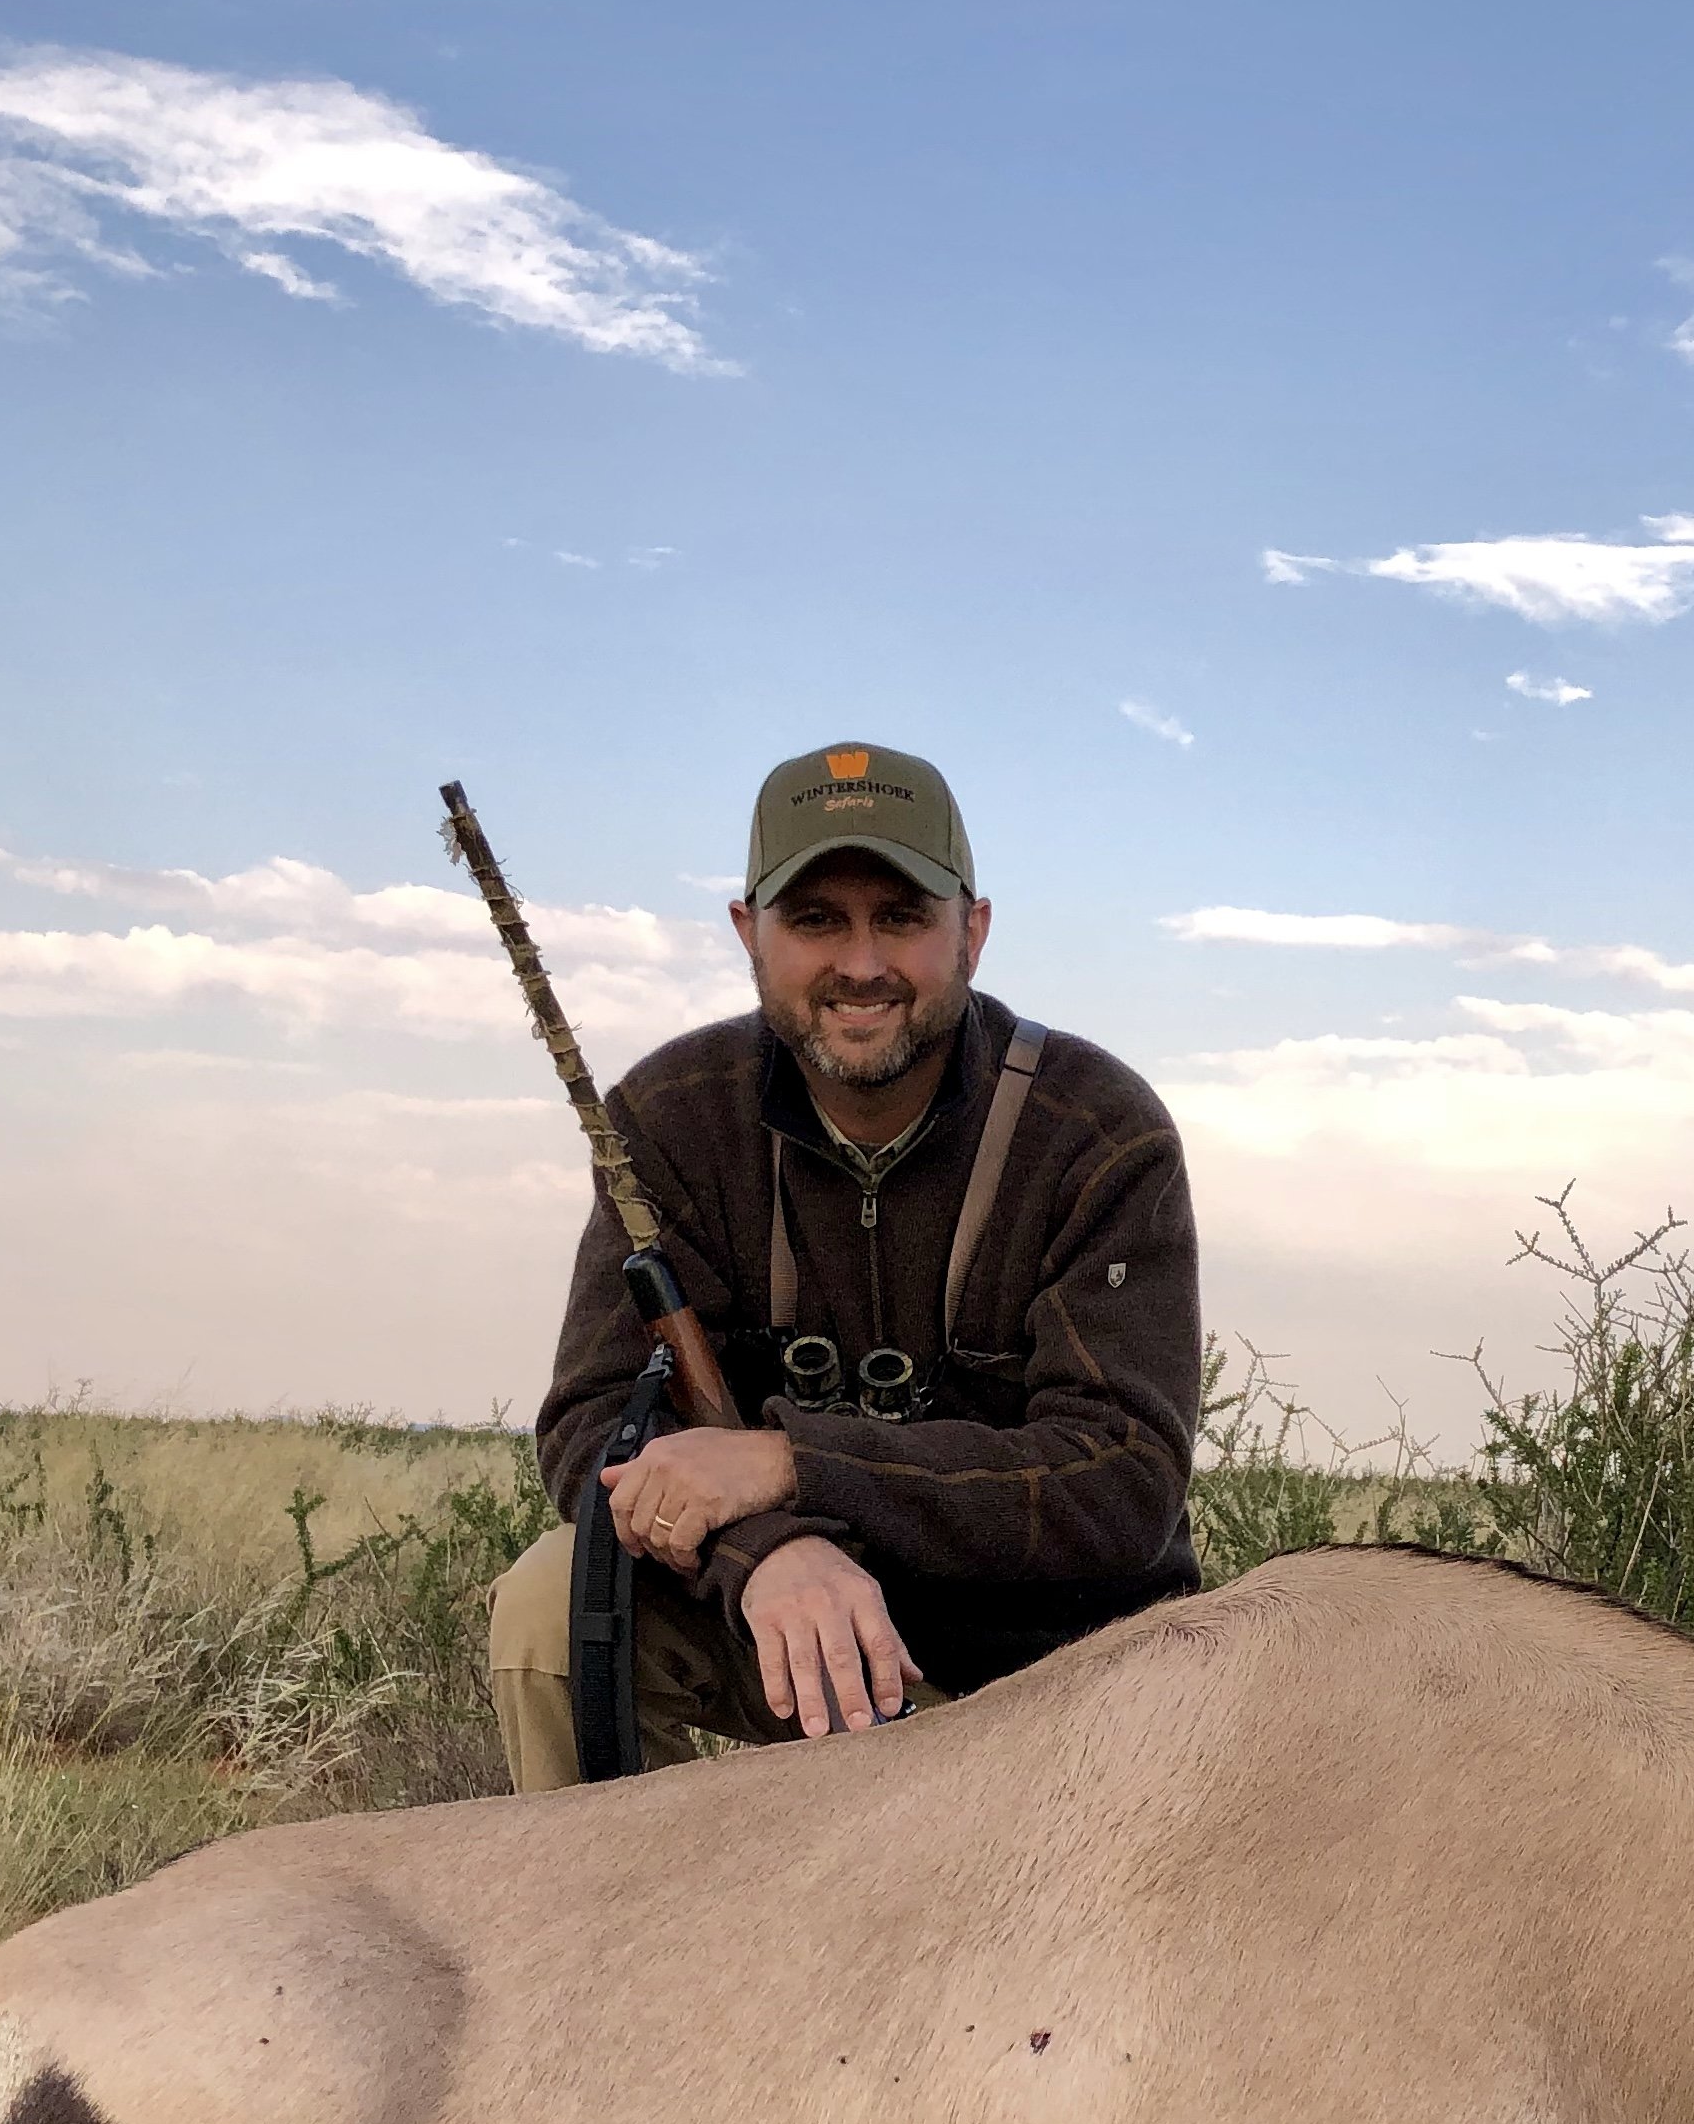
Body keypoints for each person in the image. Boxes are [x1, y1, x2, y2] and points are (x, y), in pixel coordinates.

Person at [485, 741, 1202, 1787]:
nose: (861, 964)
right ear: (749, 933)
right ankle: (625, 1935)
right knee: (555, 1609)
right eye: (816, 918)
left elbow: (1124, 1482)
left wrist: (789, 1465)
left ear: (974, 932)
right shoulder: (672, 1114)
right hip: (788, 1627)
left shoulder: (1097, 1130)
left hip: (1055, 1672)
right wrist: (767, 1548)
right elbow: (597, 1427)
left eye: (902, 917)